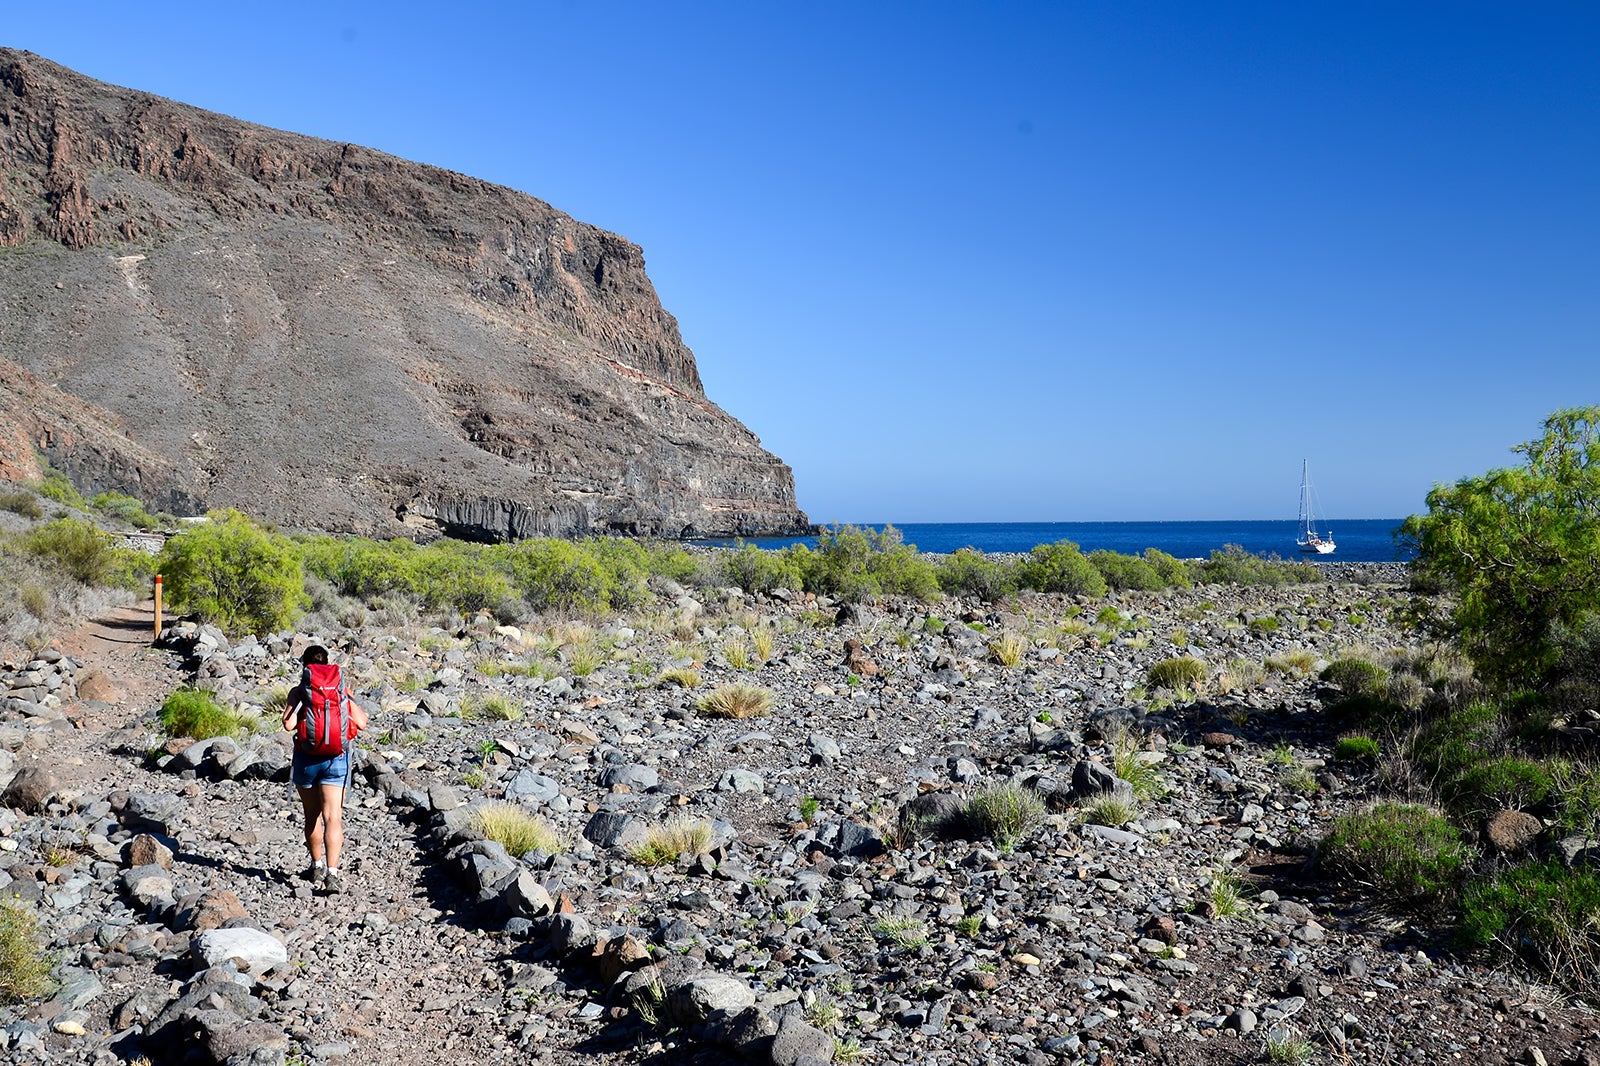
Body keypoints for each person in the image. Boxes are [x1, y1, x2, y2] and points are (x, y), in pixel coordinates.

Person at [281, 645, 369, 894]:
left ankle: (316, 866)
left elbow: (288, 725)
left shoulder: (298, 692)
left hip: (306, 760)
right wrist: (347, 698)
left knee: (313, 817)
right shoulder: (341, 691)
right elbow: (361, 722)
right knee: (334, 818)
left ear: (305, 667)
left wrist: (301, 708)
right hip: (336, 760)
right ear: (328, 664)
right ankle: (333, 874)